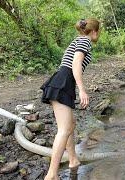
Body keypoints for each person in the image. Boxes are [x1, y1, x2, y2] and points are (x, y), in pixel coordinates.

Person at [40, 18, 100, 180]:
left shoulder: (79, 40)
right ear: (94, 31)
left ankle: (73, 159)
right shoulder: (84, 41)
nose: (98, 35)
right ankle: (52, 174)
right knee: (64, 130)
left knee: (70, 125)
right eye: (98, 32)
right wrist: (82, 90)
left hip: (62, 82)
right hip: (64, 82)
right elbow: (75, 64)